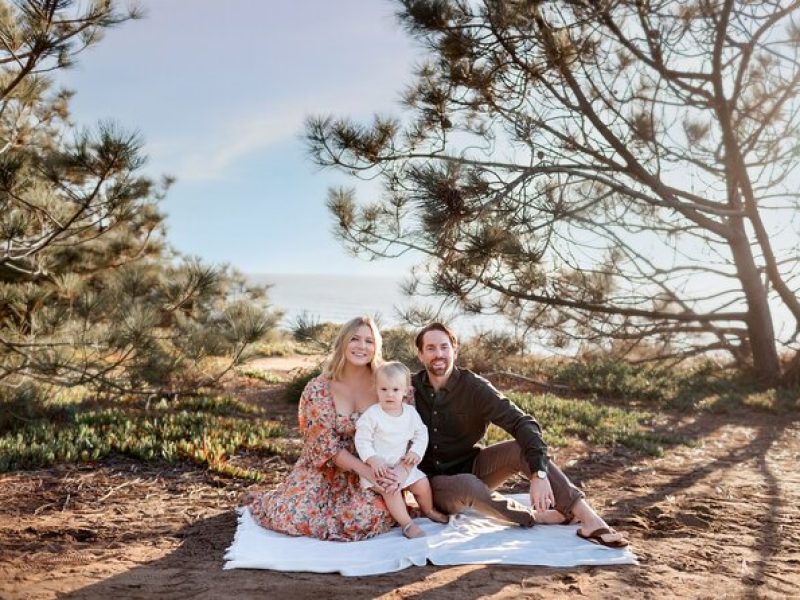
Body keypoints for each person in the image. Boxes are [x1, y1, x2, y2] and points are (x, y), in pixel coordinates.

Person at [411, 322, 630, 548]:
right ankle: (532, 516)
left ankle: (590, 520)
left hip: (472, 466)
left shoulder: (474, 388)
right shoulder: (409, 388)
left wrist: (539, 474)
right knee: (467, 484)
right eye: (431, 348)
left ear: (455, 351)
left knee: (519, 448)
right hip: (432, 485)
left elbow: (522, 422)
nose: (438, 354)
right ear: (420, 355)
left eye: (444, 347)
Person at [245, 316, 404, 541]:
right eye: (355, 339)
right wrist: (364, 470)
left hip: (376, 467)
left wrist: (391, 472)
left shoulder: (387, 382)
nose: (361, 346)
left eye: (369, 341)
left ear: (376, 347)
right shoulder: (319, 388)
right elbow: (323, 444)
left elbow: (405, 425)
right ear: (342, 343)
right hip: (327, 468)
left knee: (361, 518)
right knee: (292, 515)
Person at [354, 361, 449, 538]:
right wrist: (372, 459)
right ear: (376, 389)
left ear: (406, 391)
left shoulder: (410, 413)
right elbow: (362, 439)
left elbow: (422, 433)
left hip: (402, 465)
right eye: (384, 389)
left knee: (422, 483)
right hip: (378, 470)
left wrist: (415, 452)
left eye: (395, 390)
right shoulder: (373, 414)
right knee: (391, 490)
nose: (389, 394)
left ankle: (428, 510)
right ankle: (407, 524)